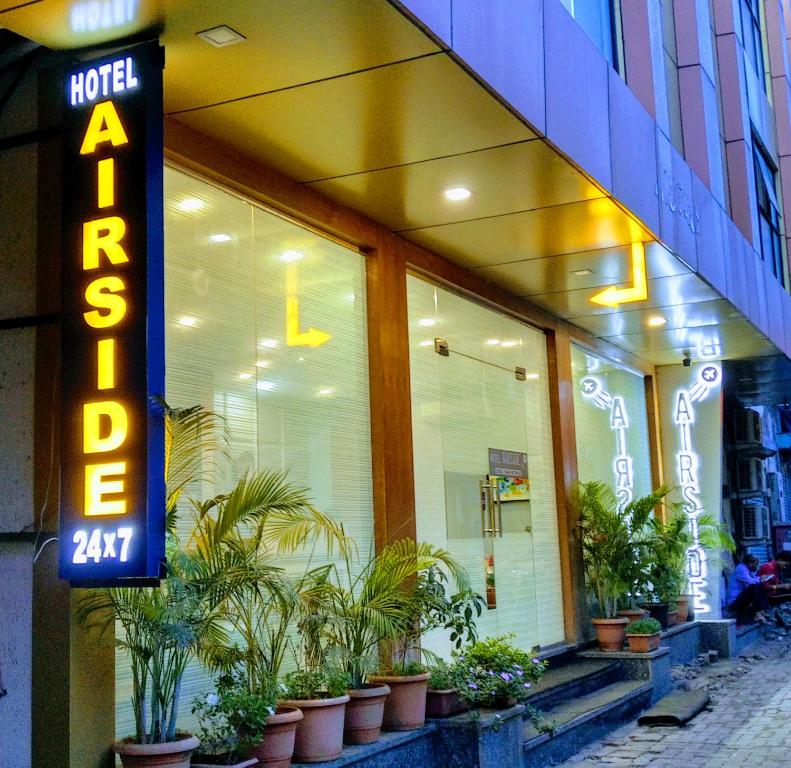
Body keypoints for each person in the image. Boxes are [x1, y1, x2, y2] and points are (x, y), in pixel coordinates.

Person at [726, 554, 771, 623]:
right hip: (734, 602)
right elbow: (750, 582)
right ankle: (758, 614)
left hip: (741, 599)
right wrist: (760, 580)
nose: (756, 566)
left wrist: (762, 577)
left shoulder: (747, 569)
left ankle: (763, 611)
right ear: (750, 563)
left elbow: (754, 578)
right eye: (755, 564)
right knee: (754, 587)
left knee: (760, 586)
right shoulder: (741, 569)